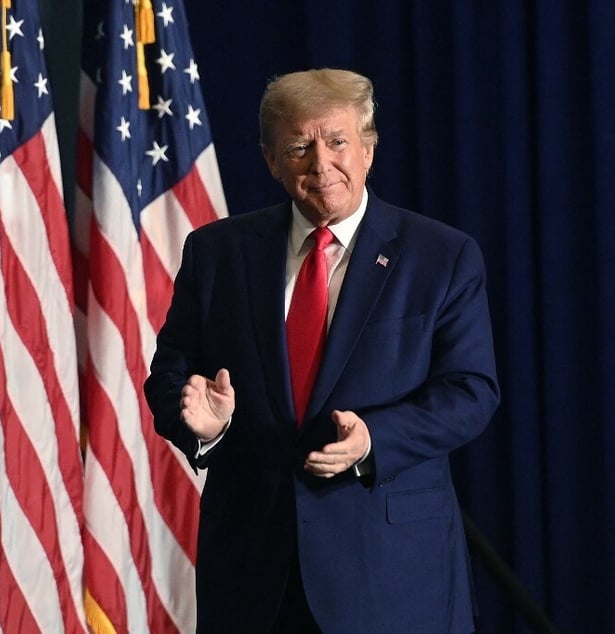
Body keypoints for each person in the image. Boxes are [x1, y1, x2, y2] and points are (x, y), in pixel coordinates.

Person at [144, 68, 500, 633]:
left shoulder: (441, 256)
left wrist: (374, 439)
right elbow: (169, 376)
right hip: (253, 575)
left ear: (368, 150)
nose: (320, 162)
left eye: (337, 142)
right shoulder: (217, 253)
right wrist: (208, 428)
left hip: (390, 571)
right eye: (298, 146)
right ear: (270, 161)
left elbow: (471, 391)